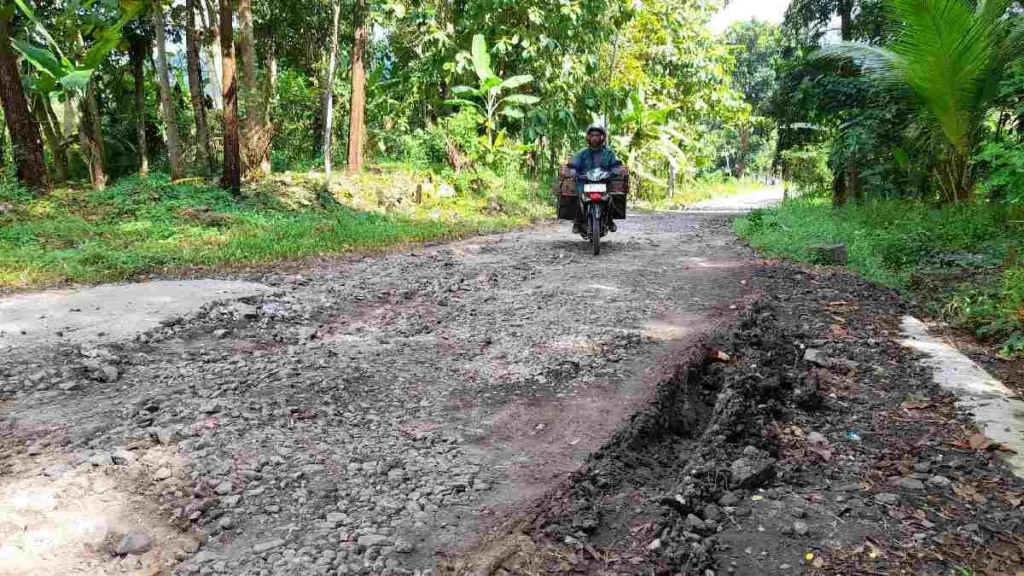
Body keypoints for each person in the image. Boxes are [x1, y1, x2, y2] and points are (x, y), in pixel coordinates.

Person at [568, 123, 624, 234]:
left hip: (603, 183)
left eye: (597, 135)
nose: (594, 138)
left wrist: (615, 170)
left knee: (610, 199)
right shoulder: (582, 153)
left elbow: (615, 166)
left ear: (602, 137)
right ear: (588, 137)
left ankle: (609, 221)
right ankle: (578, 222)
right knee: (579, 199)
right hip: (584, 183)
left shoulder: (609, 153)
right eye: (592, 135)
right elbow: (574, 165)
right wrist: (573, 171)